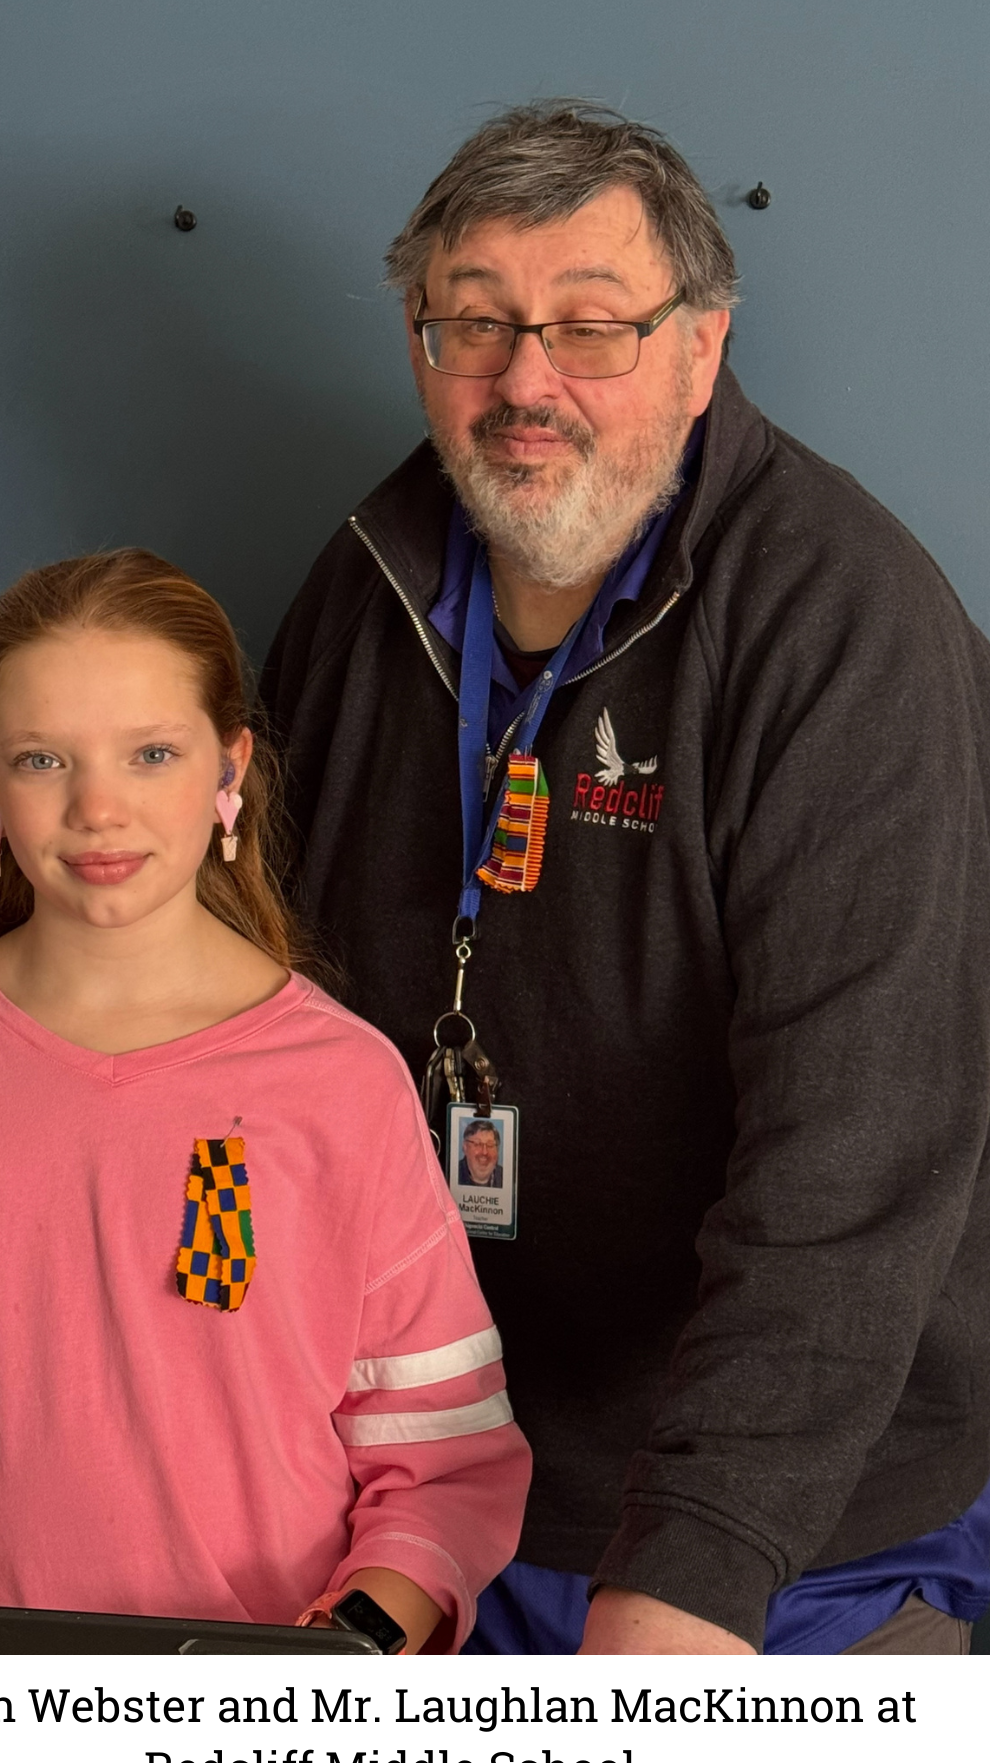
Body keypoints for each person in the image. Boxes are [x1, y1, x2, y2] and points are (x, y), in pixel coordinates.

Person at [261, 103, 990, 1655]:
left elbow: (852, 1164)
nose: (527, 380)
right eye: (477, 321)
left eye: (591, 326)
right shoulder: (363, 583)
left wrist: (699, 1569)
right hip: (427, 1484)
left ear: (701, 348)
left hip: (793, 1523)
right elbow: (246, 1027)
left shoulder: (847, 630)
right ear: (419, 341)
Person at [0, 549, 529, 1653]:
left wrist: (334, 1663)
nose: (98, 808)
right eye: (43, 758)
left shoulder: (345, 1083)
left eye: (151, 753)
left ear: (228, 770)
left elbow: (441, 1464)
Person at [458, 1120, 502, 1188]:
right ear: (465, 1147)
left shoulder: (505, 1177)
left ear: (497, 1149)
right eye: (477, 1144)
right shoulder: (453, 1173)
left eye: (490, 1145)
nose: (484, 1152)